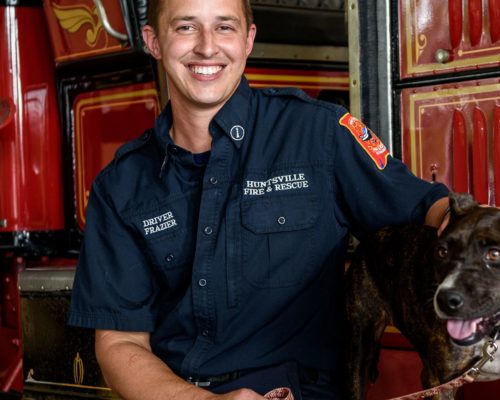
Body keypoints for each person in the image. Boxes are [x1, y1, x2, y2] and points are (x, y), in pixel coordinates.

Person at [67, 0, 450, 398]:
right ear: (154, 41)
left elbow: (429, 209)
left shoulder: (319, 134)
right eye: (185, 28)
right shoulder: (121, 184)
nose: (207, 47)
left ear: (248, 40)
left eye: (225, 28)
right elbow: (119, 344)